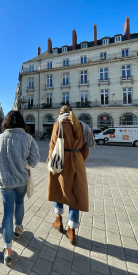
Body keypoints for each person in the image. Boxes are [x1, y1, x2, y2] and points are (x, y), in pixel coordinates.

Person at [0, 110, 40, 266]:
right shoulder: (28, 138)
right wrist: (24, 166)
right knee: (20, 203)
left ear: (6, 123)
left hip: (5, 182)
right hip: (22, 180)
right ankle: (18, 229)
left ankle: (8, 250)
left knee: (7, 212)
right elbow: (35, 160)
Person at [47, 105, 95, 245]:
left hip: (61, 162)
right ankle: (72, 230)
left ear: (60, 113)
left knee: (59, 190)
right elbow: (87, 148)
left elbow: (53, 146)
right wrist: (79, 160)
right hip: (77, 161)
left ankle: (58, 220)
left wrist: (50, 163)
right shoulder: (82, 126)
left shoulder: (59, 125)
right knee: (75, 194)